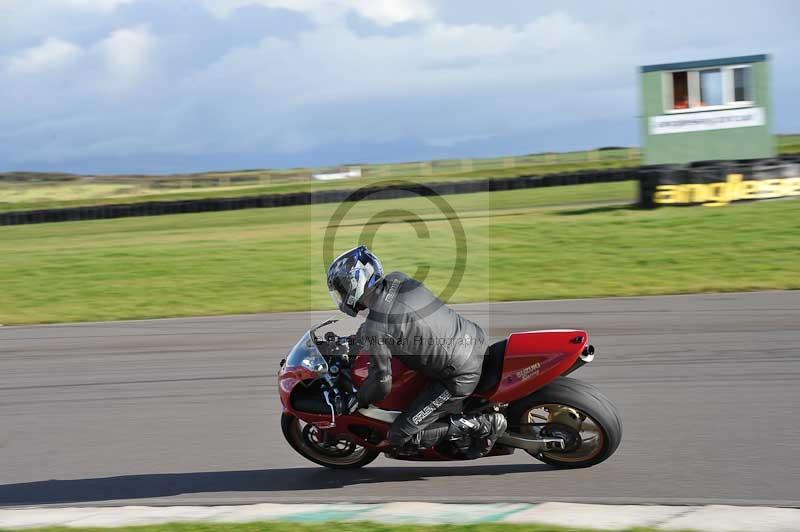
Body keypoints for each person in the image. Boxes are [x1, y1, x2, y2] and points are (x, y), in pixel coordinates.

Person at [326, 245, 507, 458]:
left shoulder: (377, 327)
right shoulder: (398, 280)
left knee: (400, 436)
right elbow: (391, 320)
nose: (341, 293)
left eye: (341, 287)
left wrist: (359, 398)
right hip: (474, 338)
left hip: (459, 375)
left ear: (354, 284)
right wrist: (355, 342)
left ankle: (482, 424)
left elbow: (381, 382)